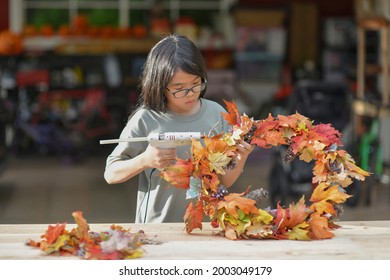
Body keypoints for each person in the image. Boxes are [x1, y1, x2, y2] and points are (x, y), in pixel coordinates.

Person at [104, 34, 254, 223]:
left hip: (207, 226)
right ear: (160, 86)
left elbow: (224, 181)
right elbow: (111, 174)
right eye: (179, 88)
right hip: (158, 227)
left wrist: (241, 157)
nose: (190, 93)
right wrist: (144, 160)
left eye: (195, 83)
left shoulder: (217, 114)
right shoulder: (146, 118)